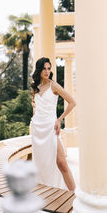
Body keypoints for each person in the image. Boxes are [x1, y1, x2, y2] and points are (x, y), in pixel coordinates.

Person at [31, 57, 76, 191]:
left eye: (49, 68)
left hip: (51, 128)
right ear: (39, 70)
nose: (47, 71)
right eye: (44, 68)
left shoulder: (53, 85)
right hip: (38, 129)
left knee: (62, 163)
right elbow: (36, 107)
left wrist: (59, 119)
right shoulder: (35, 87)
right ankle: (45, 192)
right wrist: (34, 120)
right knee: (41, 164)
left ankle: (74, 194)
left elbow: (72, 102)